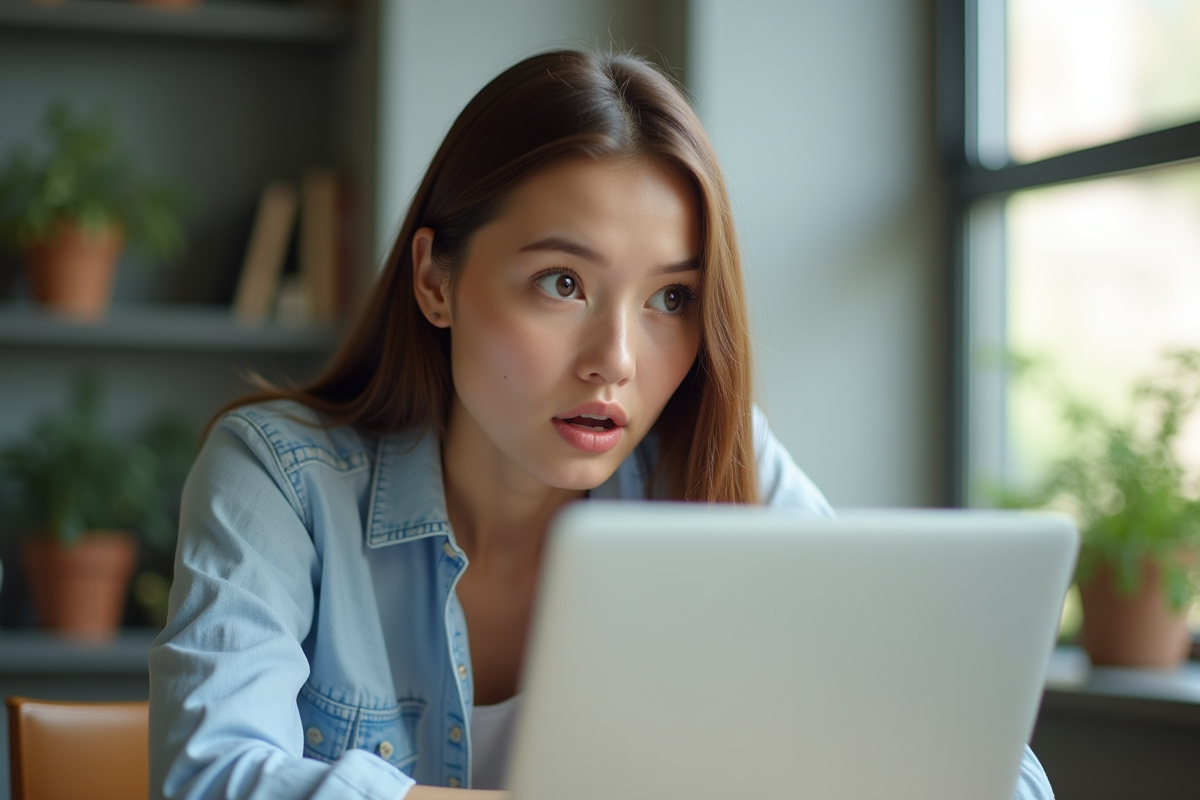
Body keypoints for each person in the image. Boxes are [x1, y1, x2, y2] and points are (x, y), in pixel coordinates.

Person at [148, 50, 1054, 800]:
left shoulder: (721, 468)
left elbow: (1000, 779)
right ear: (435, 281)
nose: (616, 358)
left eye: (670, 297)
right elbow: (210, 778)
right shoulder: (279, 478)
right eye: (563, 283)